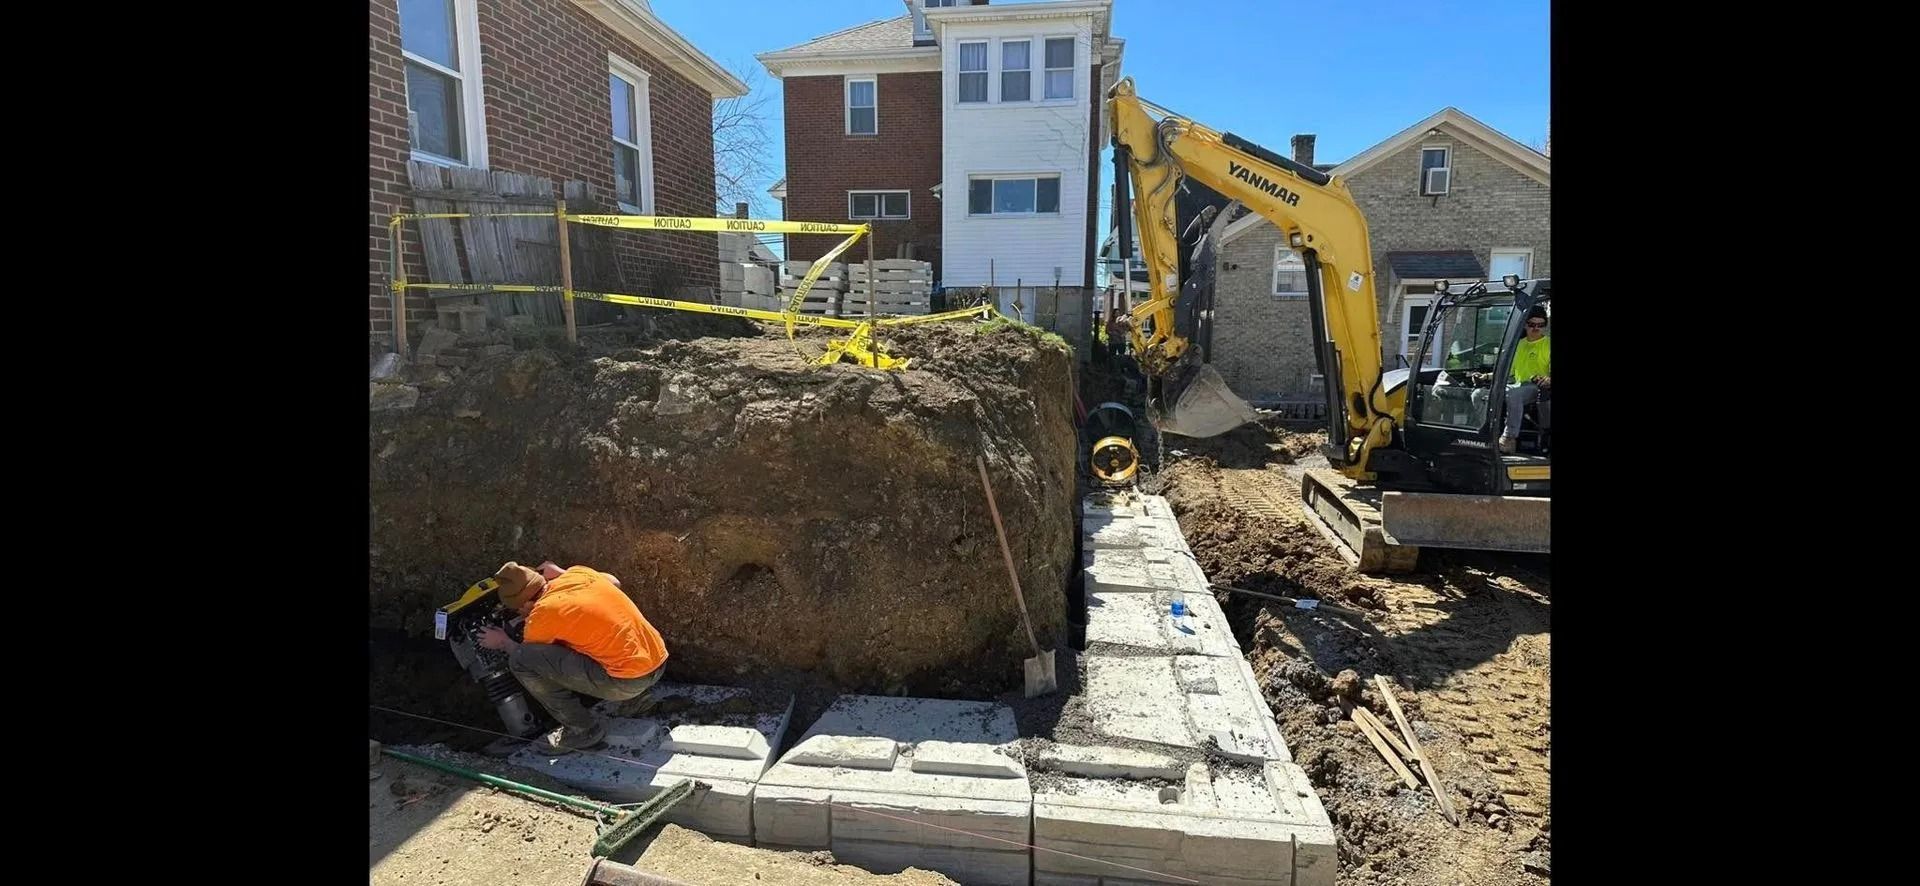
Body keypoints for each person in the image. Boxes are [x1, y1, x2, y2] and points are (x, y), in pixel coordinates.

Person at [477, 560, 669, 754]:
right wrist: (561, 573)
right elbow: (614, 582)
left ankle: (583, 730)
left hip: (627, 683)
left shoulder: (542, 614)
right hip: (658, 662)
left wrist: (502, 642)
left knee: (520, 660)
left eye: (518, 610)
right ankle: (636, 699)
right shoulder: (577, 574)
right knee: (590, 638)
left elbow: (529, 654)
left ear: (526, 603)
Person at [1499, 306, 1551, 453]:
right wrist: (1487, 377)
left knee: (1514, 395)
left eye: (1540, 325)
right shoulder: (1519, 344)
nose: (1536, 328)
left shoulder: (1548, 345)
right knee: (1480, 394)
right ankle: (1487, 433)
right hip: (1517, 384)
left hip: (1538, 388)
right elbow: (1508, 372)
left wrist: (1548, 379)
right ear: (1525, 324)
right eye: (1532, 324)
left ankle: (1509, 438)